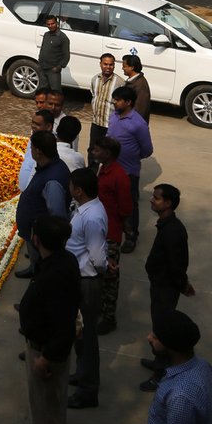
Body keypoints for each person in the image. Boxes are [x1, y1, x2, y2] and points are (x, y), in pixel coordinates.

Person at [15, 211, 80, 424]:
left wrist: (48, 357)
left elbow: (64, 322)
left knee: (46, 418)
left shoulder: (56, 272)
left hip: (46, 354)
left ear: (37, 239)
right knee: (50, 414)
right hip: (45, 347)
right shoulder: (61, 261)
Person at [140, 184, 192, 393]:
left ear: (168, 203)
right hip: (160, 285)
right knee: (158, 324)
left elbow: (177, 264)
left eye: (157, 198)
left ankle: (160, 374)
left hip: (165, 288)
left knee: (162, 330)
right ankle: (158, 361)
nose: (152, 200)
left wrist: (182, 285)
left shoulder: (173, 231)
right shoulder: (166, 225)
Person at [66, 167, 109, 410]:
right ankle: (82, 375)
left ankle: (88, 389)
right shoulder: (87, 209)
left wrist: (100, 271)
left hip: (87, 281)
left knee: (88, 337)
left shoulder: (91, 216)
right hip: (81, 278)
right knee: (81, 334)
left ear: (79, 190)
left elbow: (97, 256)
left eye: (72, 186)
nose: (69, 189)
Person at [15, 130, 71, 277]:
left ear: (38, 152)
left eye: (32, 148)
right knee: (37, 264)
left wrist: (44, 243)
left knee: (43, 273)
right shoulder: (50, 167)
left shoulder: (53, 180)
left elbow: (57, 216)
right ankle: (34, 268)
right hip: (35, 236)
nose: (30, 151)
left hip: (42, 240)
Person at [92, 135, 131, 336]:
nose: (94, 153)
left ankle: (109, 317)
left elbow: (125, 208)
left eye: (97, 150)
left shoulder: (119, 176)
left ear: (107, 153)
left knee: (110, 276)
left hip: (111, 233)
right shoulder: (105, 170)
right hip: (100, 229)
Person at [107, 85, 154, 253]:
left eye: (118, 100)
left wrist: (132, 157)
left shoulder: (138, 124)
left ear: (128, 102)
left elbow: (147, 150)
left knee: (129, 206)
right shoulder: (113, 117)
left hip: (128, 172)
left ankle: (131, 236)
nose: (114, 102)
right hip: (109, 168)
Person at [89, 52, 122, 161]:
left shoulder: (120, 83)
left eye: (111, 65)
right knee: (93, 151)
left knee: (108, 153)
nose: (108, 67)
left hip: (110, 125)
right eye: (105, 64)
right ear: (100, 64)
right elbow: (94, 97)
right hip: (96, 123)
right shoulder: (95, 79)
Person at [37, 16, 70, 93]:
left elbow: (66, 56)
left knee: (55, 93)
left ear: (57, 23)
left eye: (52, 23)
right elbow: (42, 49)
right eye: (48, 24)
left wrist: (58, 67)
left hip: (53, 70)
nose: (51, 26)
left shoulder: (62, 37)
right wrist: (39, 62)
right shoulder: (46, 35)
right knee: (42, 91)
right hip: (42, 68)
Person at [122, 54, 152, 124]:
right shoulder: (131, 81)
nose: (122, 68)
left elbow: (140, 110)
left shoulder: (141, 85)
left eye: (124, 66)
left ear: (131, 67)